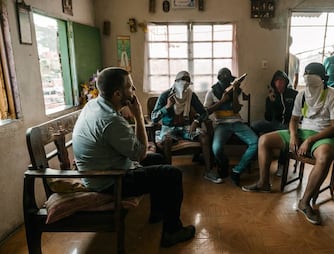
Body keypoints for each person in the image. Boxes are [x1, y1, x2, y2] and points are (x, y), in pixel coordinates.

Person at [72, 67, 195, 248]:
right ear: (117, 94)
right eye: (130, 87)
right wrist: (138, 115)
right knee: (172, 174)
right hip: (109, 180)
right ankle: (172, 231)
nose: (134, 90)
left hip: (105, 168)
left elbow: (129, 148)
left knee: (159, 160)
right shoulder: (110, 120)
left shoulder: (94, 105)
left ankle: (158, 213)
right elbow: (140, 153)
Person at [242, 63, 334, 225]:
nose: (309, 84)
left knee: (324, 157)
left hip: (324, 135)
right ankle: (263, 183)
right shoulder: (302, 95)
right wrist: (294, 135)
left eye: (313, 79)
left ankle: (304, 202)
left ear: (323, 79)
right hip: (303, 131)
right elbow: (294, 120)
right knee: (264, 140)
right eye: (307, 78)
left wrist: (310, 140)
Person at [151, 71, 222, 184]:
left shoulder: (190, 95)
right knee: (167, 140)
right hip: (169, 129)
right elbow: (154, 117)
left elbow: (204, 113)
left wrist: (196, 121)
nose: (185, 83)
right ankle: (169, 175)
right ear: (176, 81)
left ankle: (208, 172)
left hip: (186, 128)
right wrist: (167, 106)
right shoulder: (166, 95)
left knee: (204, 136)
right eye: (182, 80)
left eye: (188, 81)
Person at [204, 67, 258, 186]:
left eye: (228, 80)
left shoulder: (236, 90)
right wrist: (222, 101)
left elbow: (236, 109)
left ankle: (237, 170)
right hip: (222, 124)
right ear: (218, 80)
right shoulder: (212, 92)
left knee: (255, 142)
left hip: (237, 122)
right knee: (216, 149)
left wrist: (234, 91)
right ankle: (223, 164)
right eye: (224, 81)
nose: (226, 83)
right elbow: (206, 112)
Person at [251, 70, 298, 135]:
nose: (279, 82)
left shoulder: (294, 94)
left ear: (286, 82)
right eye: (276, 80)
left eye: (282, 80)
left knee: (284, 128)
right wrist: (271, 103)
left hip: (289, 124)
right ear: (274, 82)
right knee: (254, 125)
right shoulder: (271, 96)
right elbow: (268, 118)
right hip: (275, 123)